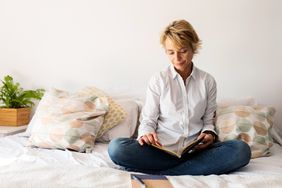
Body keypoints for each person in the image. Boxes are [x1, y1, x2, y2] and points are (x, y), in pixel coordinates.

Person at [108, 19, 251, 175]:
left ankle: (167, 171)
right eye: (171, 52)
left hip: (196, 153)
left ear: (193, 48)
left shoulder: (207, 81)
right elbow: (148, 120)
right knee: (116, 148)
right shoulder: (159, 79)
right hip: (160, 151)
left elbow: (208, 122)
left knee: (241, 150)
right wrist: (146, 134)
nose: (177, 58)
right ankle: (191, 170)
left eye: (183, 51)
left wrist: (209, 134)